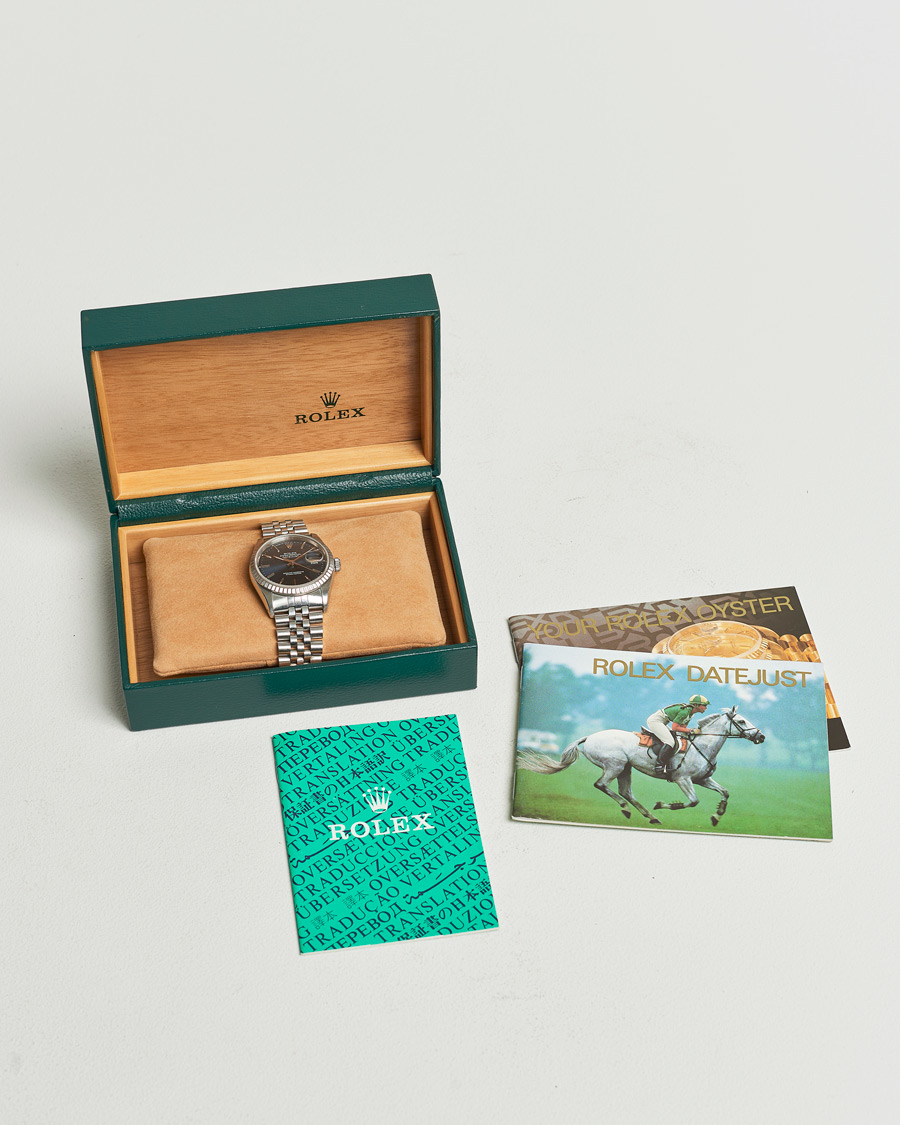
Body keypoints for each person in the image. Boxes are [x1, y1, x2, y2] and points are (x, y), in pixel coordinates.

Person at [646, 694, 710, 774]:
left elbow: (683, 728)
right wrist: (692, 731)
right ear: (696, 705)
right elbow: (675, 728)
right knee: (670, 742)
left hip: (663, 722)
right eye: (704, 705)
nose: (706, 708)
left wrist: (692, 732)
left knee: (675, 738)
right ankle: (659, 766)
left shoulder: (691, 714)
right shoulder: (685, 712)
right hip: (655, 721)